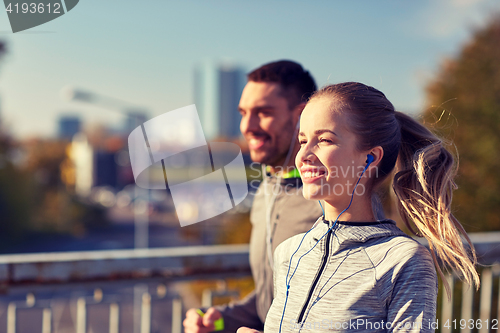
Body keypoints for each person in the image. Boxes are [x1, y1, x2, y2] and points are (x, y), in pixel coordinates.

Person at [264, 82, 479, 332]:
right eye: (302, 141)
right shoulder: (288, 254)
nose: (304, 156)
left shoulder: (403, 261)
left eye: (324, 140)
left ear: (371, 158)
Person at [183, 60, 323, 333]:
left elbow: (353, 315)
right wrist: (216, 320)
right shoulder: (267, 191)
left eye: (263, 112)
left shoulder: (331, 200)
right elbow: (270, 302)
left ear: (302, 116)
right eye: (243, 113)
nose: (247, 126)